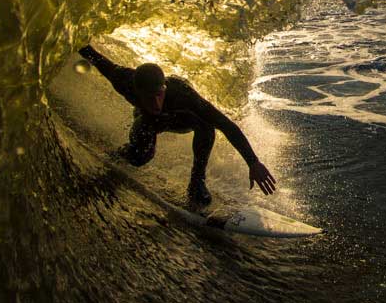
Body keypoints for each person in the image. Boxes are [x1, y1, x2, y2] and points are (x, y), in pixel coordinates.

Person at [77, 44, 276, 206]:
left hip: (182, 120)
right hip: (148, 121)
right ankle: (121, 154)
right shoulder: (124, 80)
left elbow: (226, 125)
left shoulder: (183, 96)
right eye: (149, 97)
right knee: (140, 157)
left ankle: (197, 182)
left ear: (164, 88)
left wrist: (253, 162)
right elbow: (92, 54)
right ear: (137, 91)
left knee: (206, 125)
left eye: (159, 95)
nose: (156, 103)